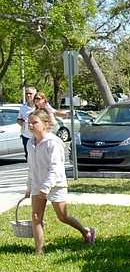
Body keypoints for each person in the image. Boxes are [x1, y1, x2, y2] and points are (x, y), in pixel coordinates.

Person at [24, 109, 95, 253]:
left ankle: (86, 231)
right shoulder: (30, 143)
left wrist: (46, 187)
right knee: (36, 216)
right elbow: (31, 167)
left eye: (34, 123)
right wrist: (29, 186)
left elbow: (55, 168)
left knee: (62, 216)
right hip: (38, 185)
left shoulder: (53, 142)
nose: (30, 125)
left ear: (45, 124)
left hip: (55, 185)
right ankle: (38, 250)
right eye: (29, 123)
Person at [17, 86, 37, 159]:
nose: (28, 95)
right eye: (27, 94)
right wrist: (23, 124)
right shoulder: (23, 107)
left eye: (30, 94)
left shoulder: (39, 106)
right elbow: (19, 119)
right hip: (26, 136)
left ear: (35, 94)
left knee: (39, 155)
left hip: (37, 135)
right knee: (29, 157)